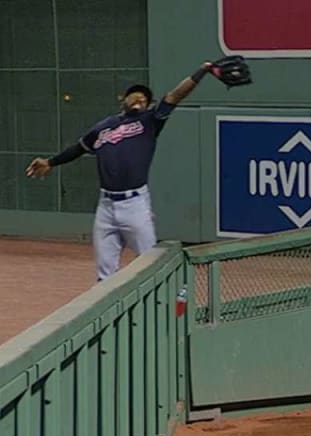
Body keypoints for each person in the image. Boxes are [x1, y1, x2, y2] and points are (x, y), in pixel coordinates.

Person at [25, 62, 214, 282]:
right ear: (123, 100)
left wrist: (202, 71)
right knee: (104, 275)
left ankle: (166, 307)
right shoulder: (103, 126)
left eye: (144, 98)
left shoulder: (150, 121)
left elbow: (176, 95)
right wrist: (51, 162)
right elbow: (78, 149)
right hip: (105, 206)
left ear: (149, 105)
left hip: (134, 204)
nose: (139, 99)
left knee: (151, 267)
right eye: (134, 96)